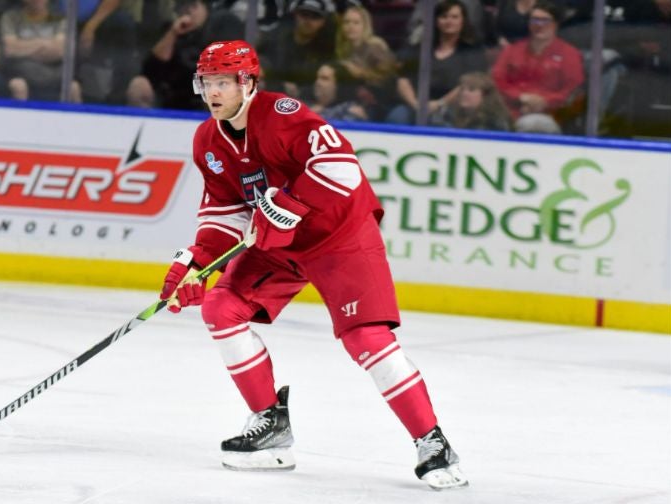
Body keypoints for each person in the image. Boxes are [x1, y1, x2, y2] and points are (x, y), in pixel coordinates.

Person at [158, 39, 469, 490]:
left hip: (338, 236)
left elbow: (342, 167)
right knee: (221, 307)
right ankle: (270, 427)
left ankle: (432, 441)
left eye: (223, 82)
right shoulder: (208, 139)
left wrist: (290, 204)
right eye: (206, 82)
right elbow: (225, 212)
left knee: (365, 339)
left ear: (248, 82)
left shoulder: (284, 115)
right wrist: (196, 262)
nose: (213, 93)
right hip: (278, 244)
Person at [127, 0, 243, 109]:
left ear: (205, 7)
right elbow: (151, 68)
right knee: (138, 85)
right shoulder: (171, 30)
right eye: (183, 7)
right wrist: (173, 33)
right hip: (172, 91)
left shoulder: (222, 23)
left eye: (193, 6)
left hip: (206, 90)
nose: (188, 12)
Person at [491, 0, 584, 133]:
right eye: (534, 20)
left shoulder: (569, 54)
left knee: (531, 124)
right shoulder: (512, 50)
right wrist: (520, 97)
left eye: (545, 21)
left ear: (556, 24)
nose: (539, 25)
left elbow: (573, 89)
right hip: (510, 112)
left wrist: (545, 102)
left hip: (552, 115)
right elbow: (497, 80)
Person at [389, 0, 488, 124]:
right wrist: (415, 104)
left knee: (440, 120)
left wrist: (439, 104)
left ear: (463, 21)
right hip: (416, 104)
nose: (449, 21)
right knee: (397, 116)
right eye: (444, 17)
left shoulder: (472, 51)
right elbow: (403, 78)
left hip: (452, 106)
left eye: (454, 17)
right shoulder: (420, 48)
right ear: (435, 21)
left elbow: (467, 84)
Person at [0, 0, 82, 102]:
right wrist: (44, 44)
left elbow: (60, 51)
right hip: (21, 72)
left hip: (54, 72)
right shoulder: (11, 17)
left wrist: (23, 48)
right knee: (17, 85)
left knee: (74, 87)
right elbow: (10, 49)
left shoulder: (60, 18)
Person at [257, 0, 336, 101]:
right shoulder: (274, 40)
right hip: (271, 98)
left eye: (315, 17)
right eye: (304, 15)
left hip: (310, 102)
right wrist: (281, 86)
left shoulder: (327, 49)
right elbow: (260, 69)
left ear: (323, 21)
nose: (308, 21)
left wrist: (302, 91)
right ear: (296, 15)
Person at [429, 71, 512, 130]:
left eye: (471, 90)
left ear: (485, 95)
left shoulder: (495, 120)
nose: (464, 93)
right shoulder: (450, 114)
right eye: (462, 89)